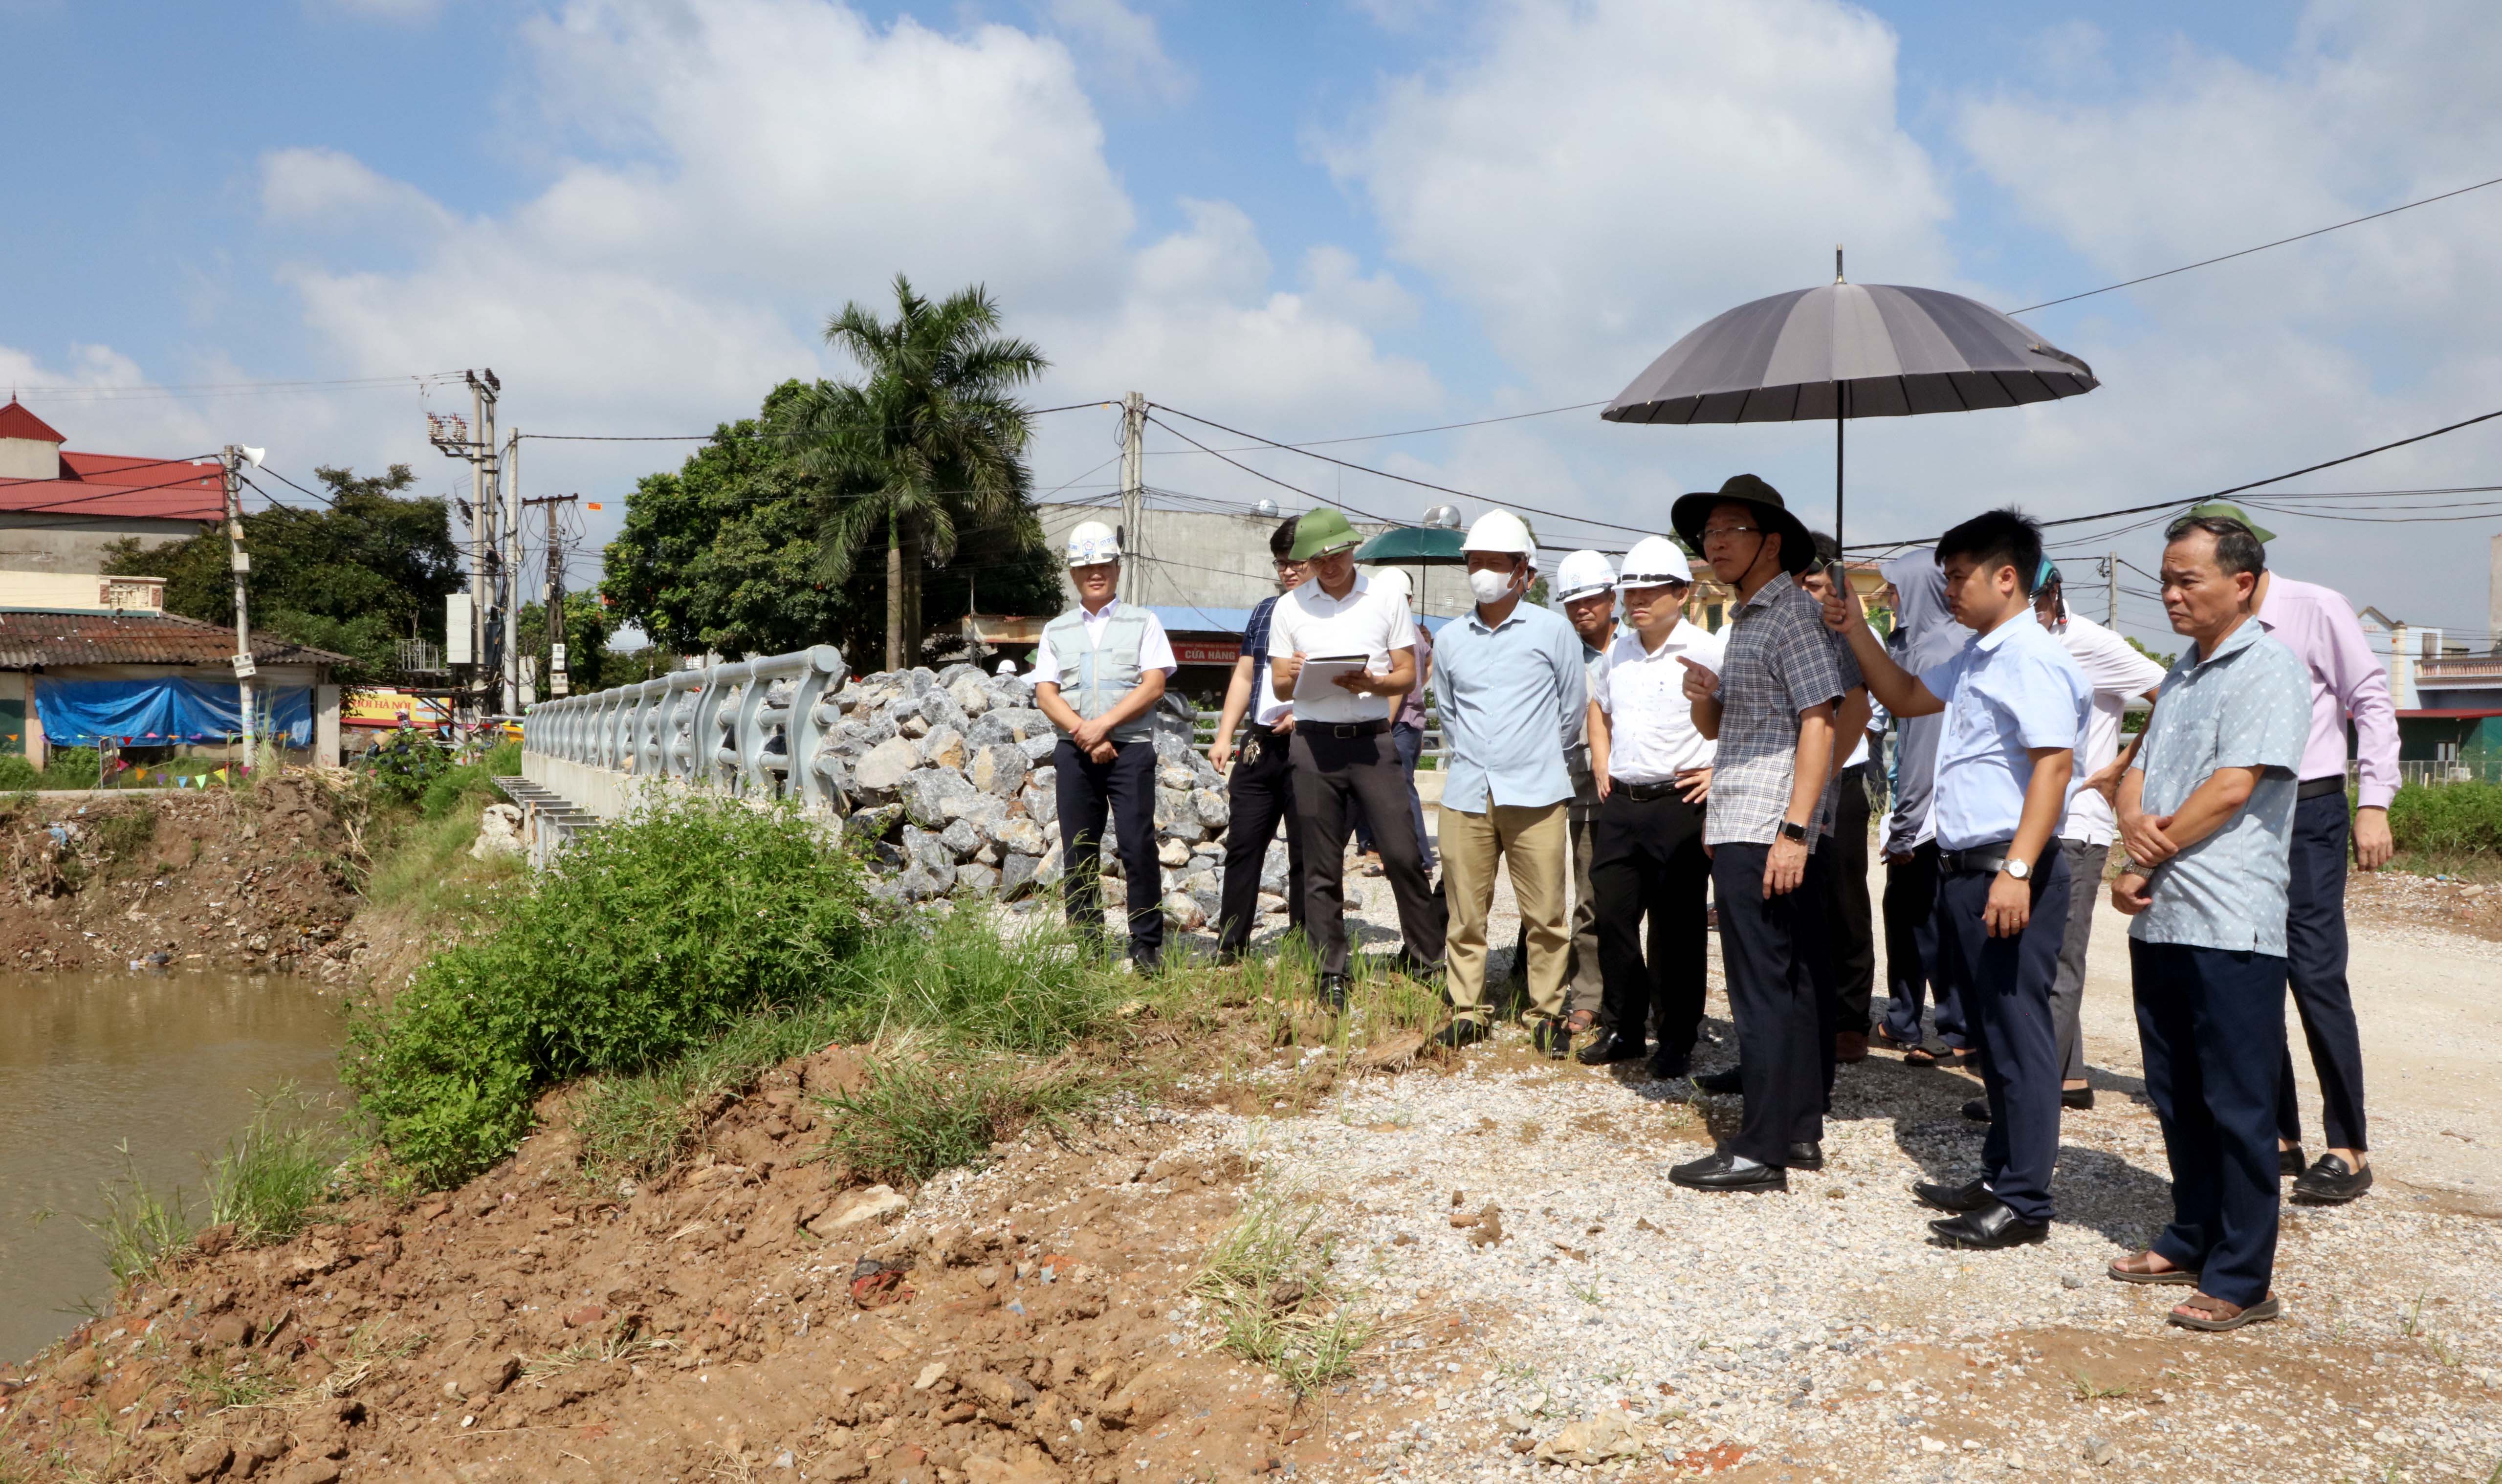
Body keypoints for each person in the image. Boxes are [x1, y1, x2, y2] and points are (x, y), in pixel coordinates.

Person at [1823, 509, 2090, 1249]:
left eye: (1958, 575)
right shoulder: (1978, 655)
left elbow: (2053, 766)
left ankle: (2026, 1203)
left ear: (2007, 577)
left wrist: (2016, 869)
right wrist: (1853, 631)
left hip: (2008, 867)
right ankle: (2001, 1173)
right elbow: (1906, 696)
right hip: (1964, 870)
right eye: (1943, 576)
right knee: (1988, 1041)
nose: (1947, 591)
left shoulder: (2029, 656)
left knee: (2018, 1037)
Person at [2107, 513, 2311, 1332]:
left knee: (2235, 1102)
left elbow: (2232, 788)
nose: (2170, 593)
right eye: (2165, 577)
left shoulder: (2268, 668)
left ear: (2243, 583)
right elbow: (2139, 766)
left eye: (2187, 578)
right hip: (2163, 917)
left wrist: (2143, 856)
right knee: (2174, 1092)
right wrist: (2129, 821)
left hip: (2229, 917)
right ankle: (2189, 1233)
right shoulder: (2182, 673)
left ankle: (2242, 1274)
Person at [1668, 475, 1858, 1193]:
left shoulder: (1790, 617)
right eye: (1708, 533)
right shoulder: (1745, 619)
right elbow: (1731, 730)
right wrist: (1704, 700)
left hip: (1768, 823)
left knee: (1763, 990)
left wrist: (1793, 831)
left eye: (1729, 530)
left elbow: (1821, 718)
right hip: (1745, 814)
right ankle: (1798, 1128)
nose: (1713, 543)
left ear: (1769, 543)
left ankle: (1760, 1146)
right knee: (1792, 981)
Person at [2211, 502, 2393, 1204]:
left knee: (2314, 973)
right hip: (2237, 810)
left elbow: (2370, 699)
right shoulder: (2215, 629)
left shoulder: (2315, 608)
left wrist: (2373, 800)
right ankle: (2279, 1134)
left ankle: (2346, 1146)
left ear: (2243, 565)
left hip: (2310, 806)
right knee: (2248, 964)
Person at [1961, 560, 2164, 1125]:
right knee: (2036, 959)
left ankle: (2036, 1092)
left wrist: (2123, 764)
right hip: (2031, 823)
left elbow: (2169, 694)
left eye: (2040, 602)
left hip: (2078, 823)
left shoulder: (2092, 642)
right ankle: (2066, 1076)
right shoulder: (2005, 646)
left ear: (2048, 594)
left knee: (2057, 964)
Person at [1269, 506, 1446, 1006]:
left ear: (1353, 550)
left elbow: (1407, 674)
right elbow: (1280, 682)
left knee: (1403, 853)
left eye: (1337, 554)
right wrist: (1301, 671)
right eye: (1317, 558)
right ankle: (1331, 971)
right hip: (1313, 742)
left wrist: (1372, 681)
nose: (1328, 565)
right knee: (1321, 865)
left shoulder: (1385, 598)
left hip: (1372, 739)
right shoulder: (1291, 608)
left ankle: (1428, 959)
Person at [1426, 509, 1586, 1054]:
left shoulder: (1553, 630)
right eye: (1476, 562)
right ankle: (1467, 1010)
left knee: (1545, 914)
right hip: (1468, 791)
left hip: (1537, 794)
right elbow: (1447, 714)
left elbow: (1572, 711)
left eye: (1497, 563)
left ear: (1525, 572)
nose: (1484, 572)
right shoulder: (1450, 640)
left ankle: (1547, 1012)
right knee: (1465, 913)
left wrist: (1533, 756)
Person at [1579, 536, 1719, 1078]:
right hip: (1622, 800)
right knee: (1612, 916)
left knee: (1678, 929)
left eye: (1651, 590)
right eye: (1630, 590)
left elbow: (1735, 716)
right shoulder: (1619, 650)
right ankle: (1625, 1026)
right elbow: (1600, 707)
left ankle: (1677, 1036)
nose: (1637, 600)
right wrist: (1601, 758)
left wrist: (1716, 770)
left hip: (1678, 803)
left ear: (1681, 593)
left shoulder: (1707, 648)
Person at [1031, 520, 1179, 973]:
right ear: (1074, 575)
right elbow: (1045, 693)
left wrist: (1104, 727)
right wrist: (1085, 733)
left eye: (1104, 565)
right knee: (1080, 848)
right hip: (1075, 753)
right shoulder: (1057, 629)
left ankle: (1147, 945)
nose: (1096, 573)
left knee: (1137, 845)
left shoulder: (1144, 622)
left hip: (1130, 749)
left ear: (1118, 568)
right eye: (1086, 566)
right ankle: (1088, 947)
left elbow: (1154, 685)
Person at [1874, 549, 1969, 1066]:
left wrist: (1906, 827)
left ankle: (1953, 1030)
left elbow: (1921, 751)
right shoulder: (1923, 645)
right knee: (1906, 919)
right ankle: (1903, 1019)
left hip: (1931, 818)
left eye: (1894, 590)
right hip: (1924, 813)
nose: (1890, 599)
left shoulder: (1936, 652)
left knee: (1929, 926)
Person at [1525, 548, 1618, 1034]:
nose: (1583, 609)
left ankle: (1637, 999)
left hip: (1635, 788)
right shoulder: (1558, 651)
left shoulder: (1635, 646)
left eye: (1592, 599)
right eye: (1573, 602)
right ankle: (1587, 996)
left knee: (1626, 900)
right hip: (1574, 789)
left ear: (1611, 596)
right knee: (1583, 898)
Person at [1799, 535, 1881, 1066]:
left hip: (1843, 779)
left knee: (1845, 897)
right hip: (1788, 781)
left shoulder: (1852, 630)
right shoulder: (1779, 626)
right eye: (1799, 585)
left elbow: (1862, 710)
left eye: (1813, 585)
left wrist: (1822, 776)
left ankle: (1851, 1018)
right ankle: (1804, 1012)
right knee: (1796, 902)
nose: (1806, 595)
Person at [1210, 516, 1308, 962]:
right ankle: (1232, 947)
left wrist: (1303, 714)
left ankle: (1308, 945)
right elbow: (1245, 673)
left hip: (1310, 745)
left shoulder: (1330, 614)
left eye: (1296, 563)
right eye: (1280, 563)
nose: (1287, 571)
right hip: (1260, 744)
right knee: (1243, 845)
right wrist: (1224, 735)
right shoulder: (1265, 611)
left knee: (1309, 853)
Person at [1350, 567, 1438, 875]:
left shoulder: (1402, 632)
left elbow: (1396, 686)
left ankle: (1421, 860)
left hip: (1397, 724)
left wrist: (1383, 725)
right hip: (1404, 722)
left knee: (1401, 791)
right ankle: (1381, 852)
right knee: (1380, 791)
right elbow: (1427, 662)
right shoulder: (1404, 629)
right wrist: (1419, 686)